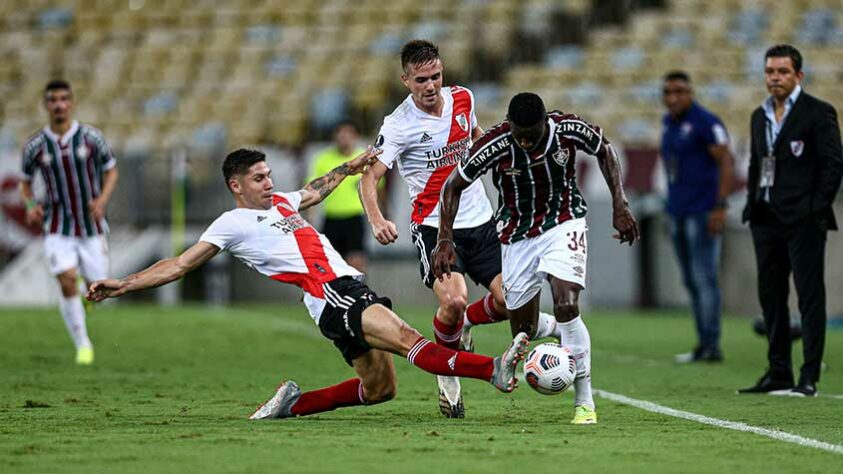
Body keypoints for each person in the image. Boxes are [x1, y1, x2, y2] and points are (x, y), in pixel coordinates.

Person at [86, 148, 529, 420]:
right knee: (409, 338)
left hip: (333, 298)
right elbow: (180, 264)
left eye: (269, 175)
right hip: (332, 292)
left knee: (381, 391)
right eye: (259, 178)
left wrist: (353, 167)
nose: (269, 182)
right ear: (235, 185)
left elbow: (316, 189)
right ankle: (492, 369)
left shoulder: (281, 202)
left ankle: (291, 406)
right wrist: (123, 284)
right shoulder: (232, 222)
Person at [359, 40, 562, 418]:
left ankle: (466, 324)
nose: (431, 86)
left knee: (508, 302)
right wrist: (377, 219)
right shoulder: (398, 125)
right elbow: (369, 179)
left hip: (481, 221)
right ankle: (447, 375)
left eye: (436, 76)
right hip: (434, 227)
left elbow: (479, 138)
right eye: (421, 79)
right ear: (406, 80)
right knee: (452, 299)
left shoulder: (463, 99)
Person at [433, 92, 640, 424]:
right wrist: (444, 238)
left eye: (533, 134)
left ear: (545, 122)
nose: (526, 141)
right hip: (517, 236)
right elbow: (452, 185)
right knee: (524, 329)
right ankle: (478, 320)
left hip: (564, 221)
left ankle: (584, 402)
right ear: (510, 126)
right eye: (520, 134)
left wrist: (620, 202)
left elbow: (605, 149)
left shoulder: (568, 129)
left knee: (567, 302)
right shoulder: (496, 143)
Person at [738, 44, 842, 397]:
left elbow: (833, 165)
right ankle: (778, 370)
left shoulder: (818, 113)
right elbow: (757, 162)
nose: (775, 78)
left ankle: (808, 375)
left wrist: (814, 208)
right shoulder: (759, 116)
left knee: (810, 297)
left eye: (782, 72)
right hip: (766, 218)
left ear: (799, 75)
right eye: (770, 71)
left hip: (803, 220)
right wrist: (752, 204)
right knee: (771, 297)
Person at [20, 79, 119, 365]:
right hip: (57, 225)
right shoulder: (35, 146)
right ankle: (83, 345)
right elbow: (25, 183)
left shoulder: (92, 138)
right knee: (65, 281)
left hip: (91, 226)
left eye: (64, 99)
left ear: (72, 103)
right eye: (53, 100)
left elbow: (111, 171)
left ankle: (83, 294)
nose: (59, 104)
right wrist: (29, 205)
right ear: (46, 105)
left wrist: (101, 200)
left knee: (98, 288)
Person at [660, 71, 735, 363]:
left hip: (703, 210)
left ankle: (712, 344)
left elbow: (726, 160)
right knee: (691, 280)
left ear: (691, 93)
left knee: (704, 278)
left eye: (679, 91)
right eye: (667, 92)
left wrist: (721, 205)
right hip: (678, 209)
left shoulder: (707, 122)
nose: (673, 97)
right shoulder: (669, 122)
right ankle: (703, 342)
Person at [308, 120, 384, 273]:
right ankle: (330, 295)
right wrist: (310, 218)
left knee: (356, 263)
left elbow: (378, 188)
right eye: (340, 134)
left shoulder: (363, 158)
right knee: (328, 264)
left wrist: (379, 214)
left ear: (355, 136)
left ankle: (358, 294)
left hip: (355, 218)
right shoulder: (323, 159)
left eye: (347, 134)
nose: (344, 137)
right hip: (331, 218)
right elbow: (312, 189)